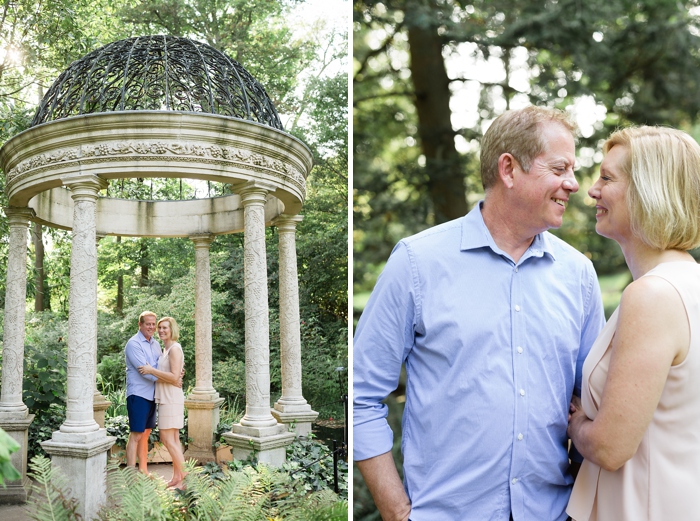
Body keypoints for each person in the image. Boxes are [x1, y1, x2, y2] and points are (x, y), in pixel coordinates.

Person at [354, 105, 605, 521]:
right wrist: (398, 513)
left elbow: (591, 402)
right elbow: (361, 397)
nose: (574, 184)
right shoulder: (417, 263)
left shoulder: (579, 275)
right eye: (559, 168)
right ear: (509, 169)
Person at [566, 127, 700, 521]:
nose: (591, 190)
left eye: (607, 178)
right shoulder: (690, 282)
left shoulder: (653, 295)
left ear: (648, 191)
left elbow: (610, 448)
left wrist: (575, 424)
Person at [138, 316, 187, 489]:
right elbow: (174, 374)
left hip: (171, 398)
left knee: (166, 438)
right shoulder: (166, 349)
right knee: (173, 438)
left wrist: (152, 370)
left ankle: (187, 479)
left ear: (172, 329)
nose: (161, 330)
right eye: (159, 328)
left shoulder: (174, 349)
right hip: (167, 396)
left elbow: (174, 377)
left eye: (165, 327)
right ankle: (176, 477)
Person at [125, 311, 162, 473]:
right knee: (136, 435)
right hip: (138, 395)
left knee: (146, 434)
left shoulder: (156, 344)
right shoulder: (133, 344)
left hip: (152, 395)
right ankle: (130, 474)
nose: (152, 327)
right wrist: (168, 378)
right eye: (148, 324)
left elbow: (160, 367)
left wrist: (172, 373)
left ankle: (143, 472)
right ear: (140, 325)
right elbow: (145, 372)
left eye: (154, 324)